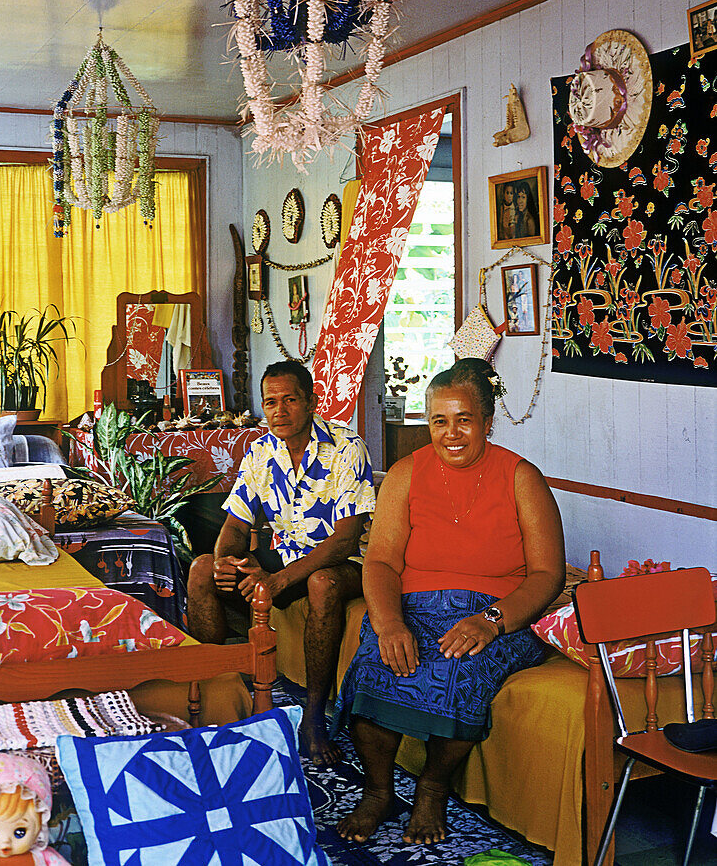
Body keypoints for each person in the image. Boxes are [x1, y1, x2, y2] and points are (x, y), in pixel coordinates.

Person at [333, 357, 564, 845]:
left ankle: (433, 787)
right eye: (440, 420)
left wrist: (491, 621)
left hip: (498, 614)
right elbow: (379, 564)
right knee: (375, 665)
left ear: (487, 422)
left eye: (465, 420)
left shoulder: (522, 477)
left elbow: (548, 575)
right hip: (413, 606)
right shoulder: (404, 473)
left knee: (461, 671)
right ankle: (378, 791)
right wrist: (391, 623)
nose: (451, 433)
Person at [187, 360, 376, 766]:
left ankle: (312, 718)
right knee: (202, 568)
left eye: (290, 400)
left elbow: (344, 539)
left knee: (321, 584)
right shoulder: (260, 451)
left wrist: (277, 580)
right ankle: (212, 693)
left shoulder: (346, 447)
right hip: (282, 558)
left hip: (341, 562)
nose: (279, 411)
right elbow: (237, 524)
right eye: (270, 402)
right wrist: (224, 562)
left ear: (311, 401)